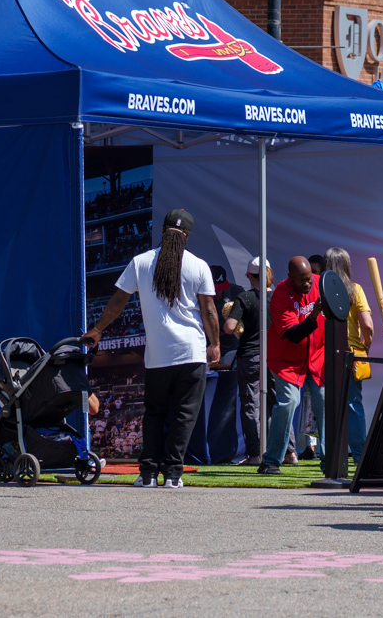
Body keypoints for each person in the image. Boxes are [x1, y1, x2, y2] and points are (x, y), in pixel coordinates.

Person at [84, 208, 220, 488]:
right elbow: (209, 311)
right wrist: (215, 344)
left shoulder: (141, 262)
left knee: (155, 414)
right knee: (184, 415)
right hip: (191, 353)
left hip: (158, 356)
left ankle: (147, 474)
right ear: (188, 236)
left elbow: (118, 302)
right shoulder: (198, 265)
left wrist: (98, 329)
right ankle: (172, 475)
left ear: (161, 230)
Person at [259, 256, 328, 476]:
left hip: (316, 355)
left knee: (324, 401)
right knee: (289, 401)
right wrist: (314, 315)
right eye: (302, 281)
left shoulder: (320, 283)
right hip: (286, 359)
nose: (307, 284)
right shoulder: (280, 294)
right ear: (290, 277)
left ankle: (329, 460)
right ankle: (271, 460)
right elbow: (293, 335)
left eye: (309, 279)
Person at [322, 247, 374, 462]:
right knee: (353, 404)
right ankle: (359, 454)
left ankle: (329, 456)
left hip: (322, 353)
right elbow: (368, 325)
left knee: (323, 404)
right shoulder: (355, 289)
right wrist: (365, 345)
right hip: (351, 354)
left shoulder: (318, 288)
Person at [225, 256, 273, 465]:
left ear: (248, 275)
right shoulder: (280, 297)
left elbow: (228, 327)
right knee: (277, 404)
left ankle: (255, 454)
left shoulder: (245, 298)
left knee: (250, 406)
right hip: (274, 357)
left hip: (250, 356)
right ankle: (290, 452)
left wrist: (235, 326)